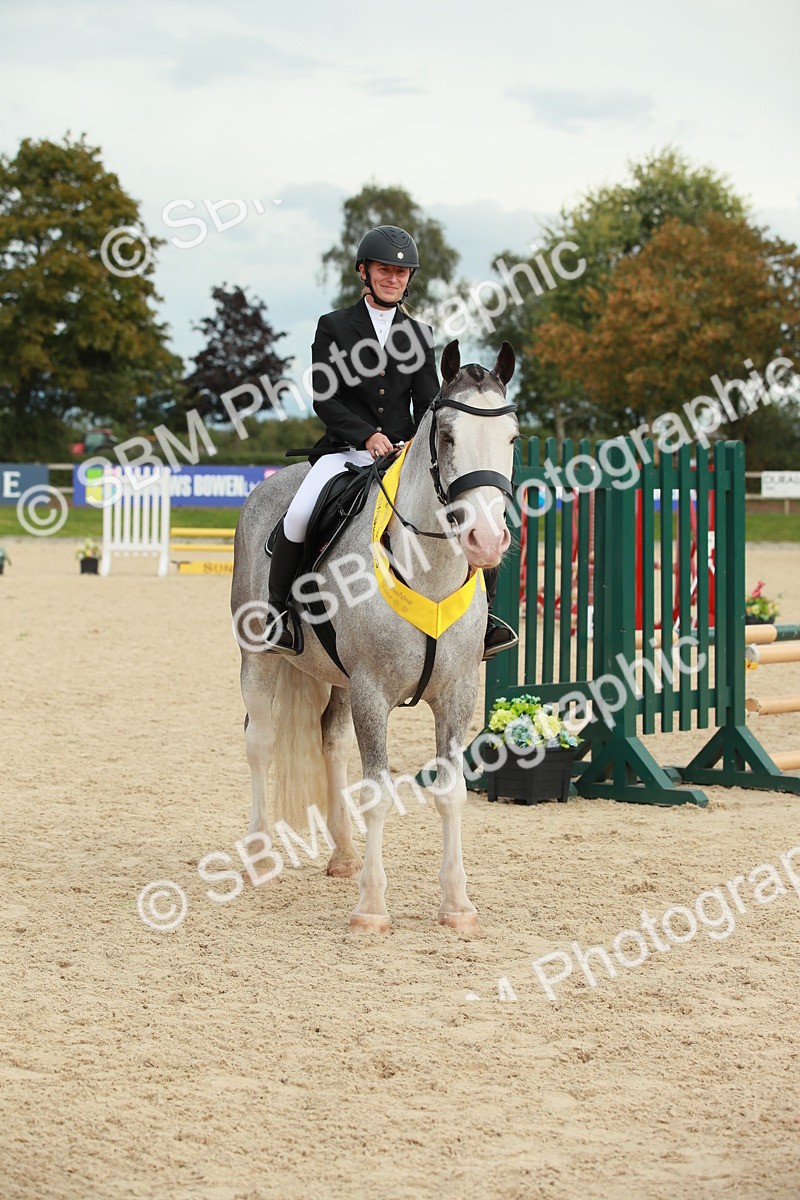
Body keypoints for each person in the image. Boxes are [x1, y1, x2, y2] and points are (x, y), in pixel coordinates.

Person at [265, 224, 516, 660]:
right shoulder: (334, 327)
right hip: (345, 452)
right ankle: (278, 615)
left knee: (470, 513)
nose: (393, 279)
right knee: (299, 514)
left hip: (403, 454)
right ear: (364, 271)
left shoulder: (419, 334)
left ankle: (485, 620)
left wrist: (413, 443)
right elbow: (325, 397)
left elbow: (427, 405)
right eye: (384, 270)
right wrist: (366, 435)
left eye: (401, 273)